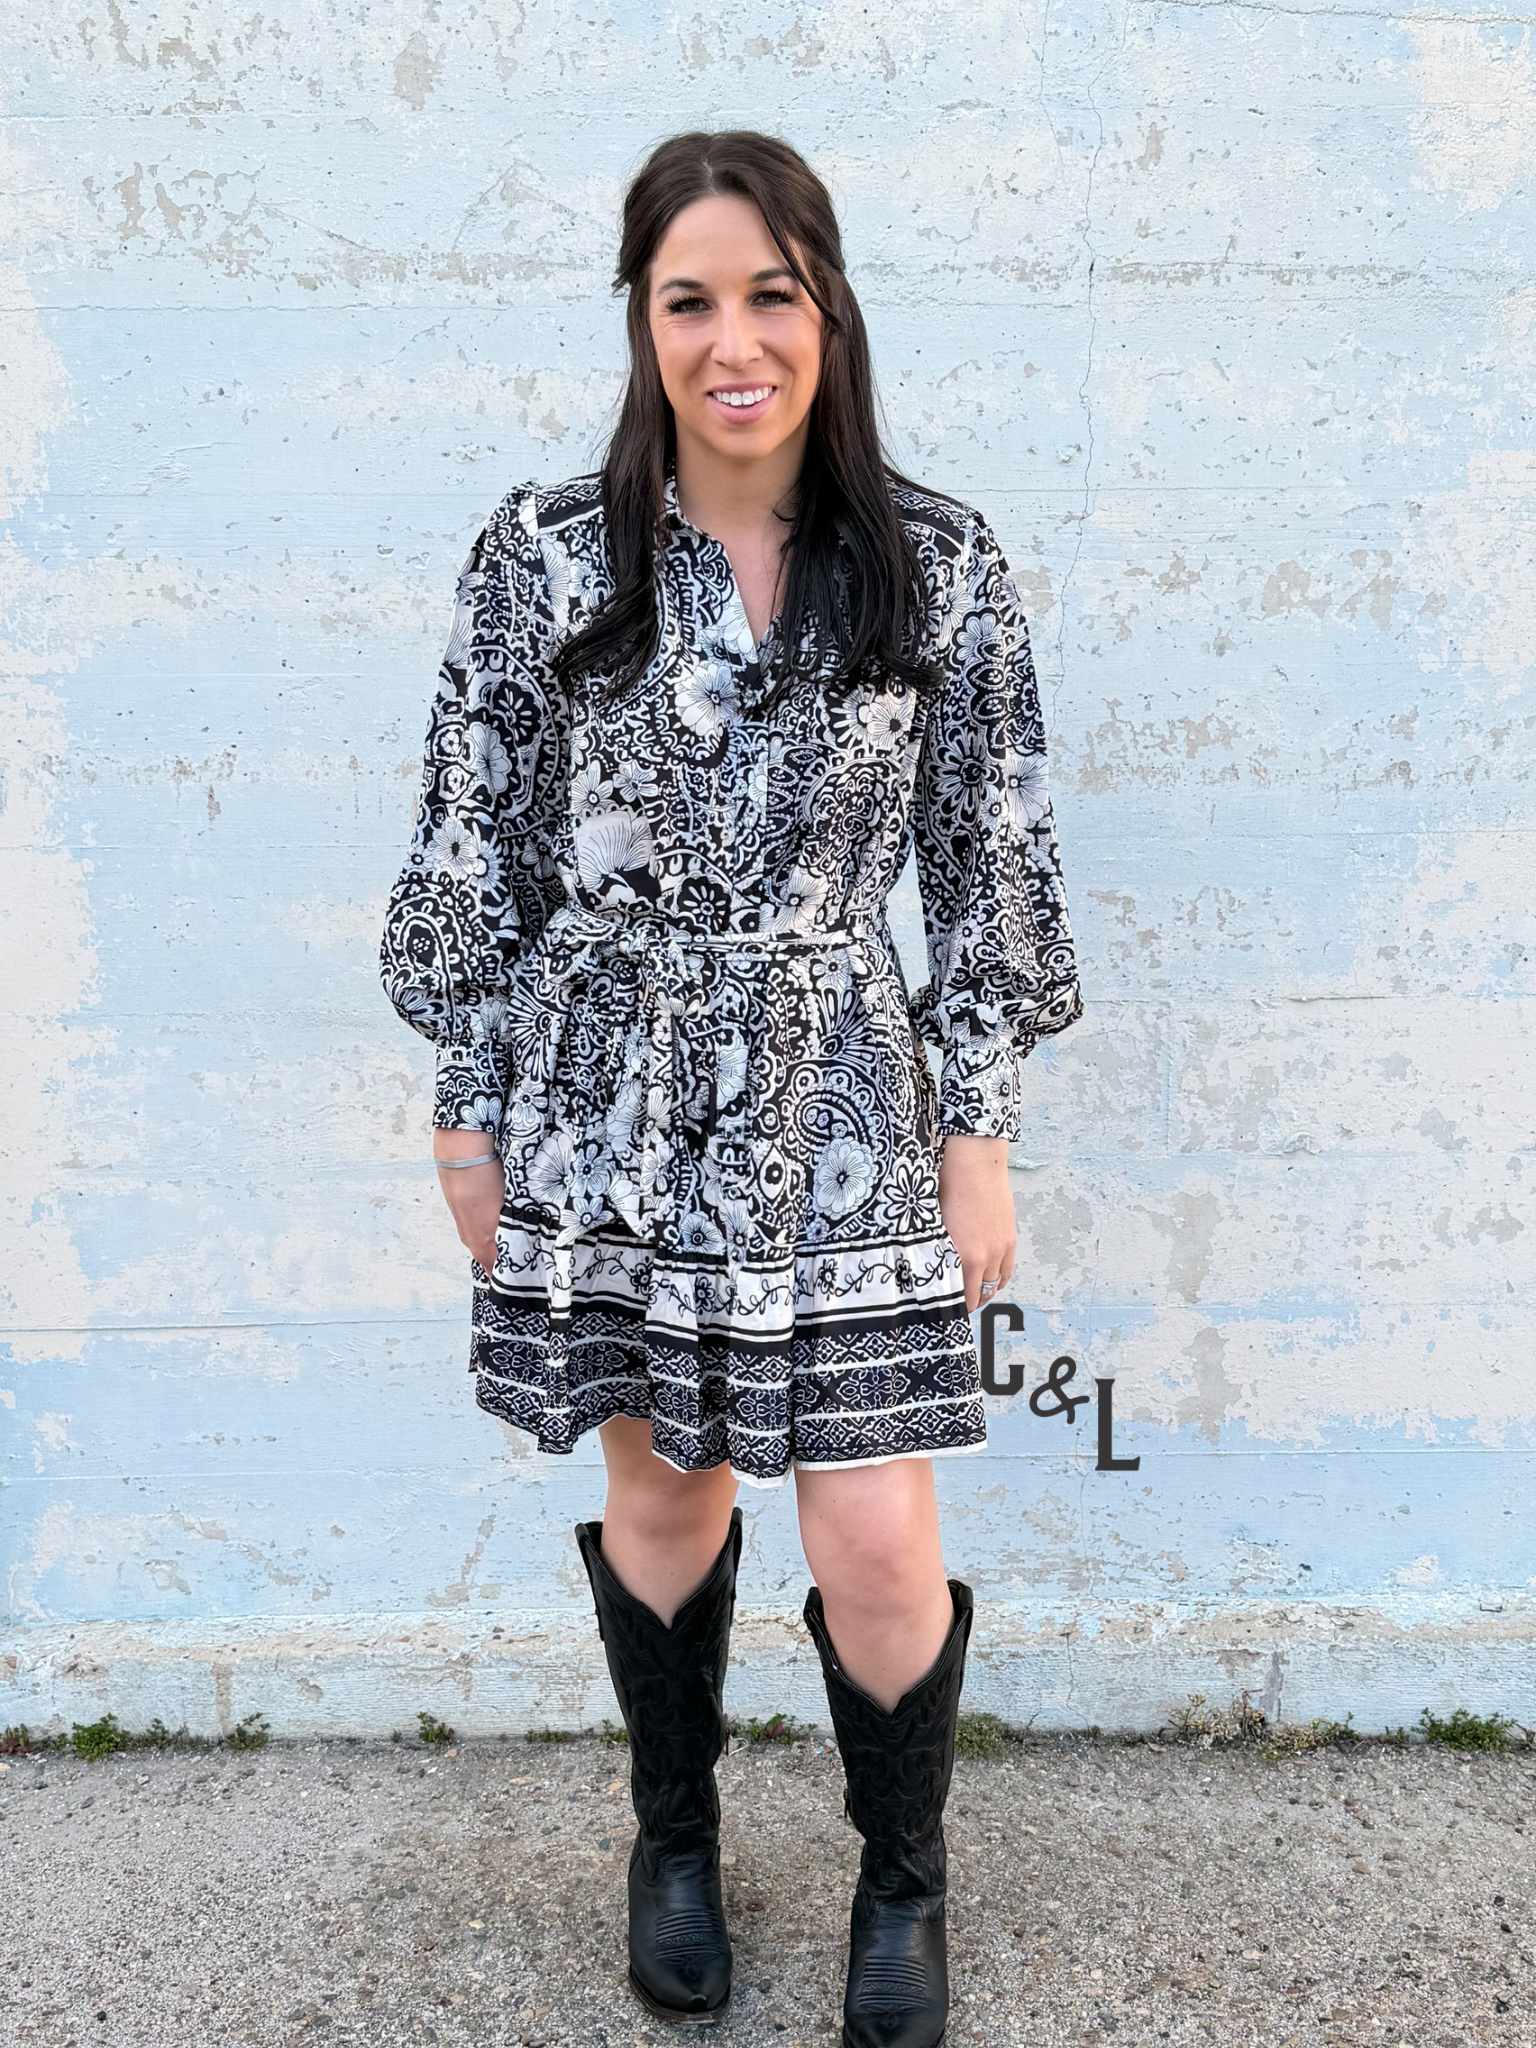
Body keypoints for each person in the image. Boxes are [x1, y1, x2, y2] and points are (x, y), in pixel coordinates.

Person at [380, 128, 1083, 2048]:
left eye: (771, 294)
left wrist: (981, 1123)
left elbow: (989, 865)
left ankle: (902, 1882)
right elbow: (476, 848)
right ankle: (672, 1840)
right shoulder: (544, 555)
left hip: (855, 1087)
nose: (733, 340)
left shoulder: (939, 566)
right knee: (665, 1488)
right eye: (690, 301)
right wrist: (469, 1100)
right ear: (644, 323)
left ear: (827, 310)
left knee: (878, 1530)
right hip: (606, 1101)